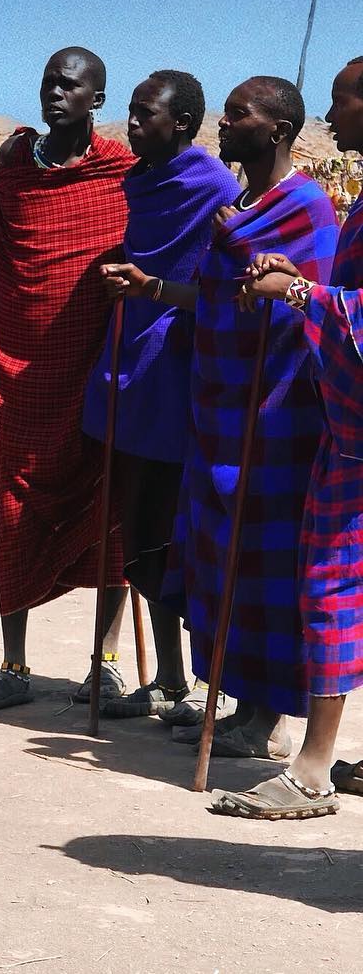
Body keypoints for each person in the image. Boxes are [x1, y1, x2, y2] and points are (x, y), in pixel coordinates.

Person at [160, 77, 338, 761]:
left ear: (279, 130)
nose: (224, 126)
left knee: (265, 572)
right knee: (217, 560)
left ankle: (267, 720)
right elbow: (217, 298)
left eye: (239, 116)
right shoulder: (238, 206)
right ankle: (238, 708)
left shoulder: (307, 209)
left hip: (277, 418)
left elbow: (315, 310)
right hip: (220, 411)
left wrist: (257, 264)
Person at [0, 48, 134, 713]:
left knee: (108, 508)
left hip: (94, 369)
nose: (54, 93)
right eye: (47, 83)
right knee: (17, 510)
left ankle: (107, 665)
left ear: (96, 99)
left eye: (70, 85)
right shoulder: (12, 173)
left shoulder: (121, 173)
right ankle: (13, 665)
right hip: (27, 376)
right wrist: (3, 167)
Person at [213, 59, 363, 818]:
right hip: (347, 425)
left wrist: (299, 290)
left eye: (346, 97)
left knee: (330, 587)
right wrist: (284, 274)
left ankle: (311, 771)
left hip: (355, 438)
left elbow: (356, 310)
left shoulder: (323, 201)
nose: (332, 115)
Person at [84, 71, 238, 721]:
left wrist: (150, 289)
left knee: (180, 535)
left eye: (144, 115)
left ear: (180, 124)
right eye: (130, 112)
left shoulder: (214, 189)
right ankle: (170, 679)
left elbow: (220, 287)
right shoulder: (141, 183)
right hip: (132, 368)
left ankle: (208, 682)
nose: (132, 125)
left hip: (178, 377)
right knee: (142, 532)